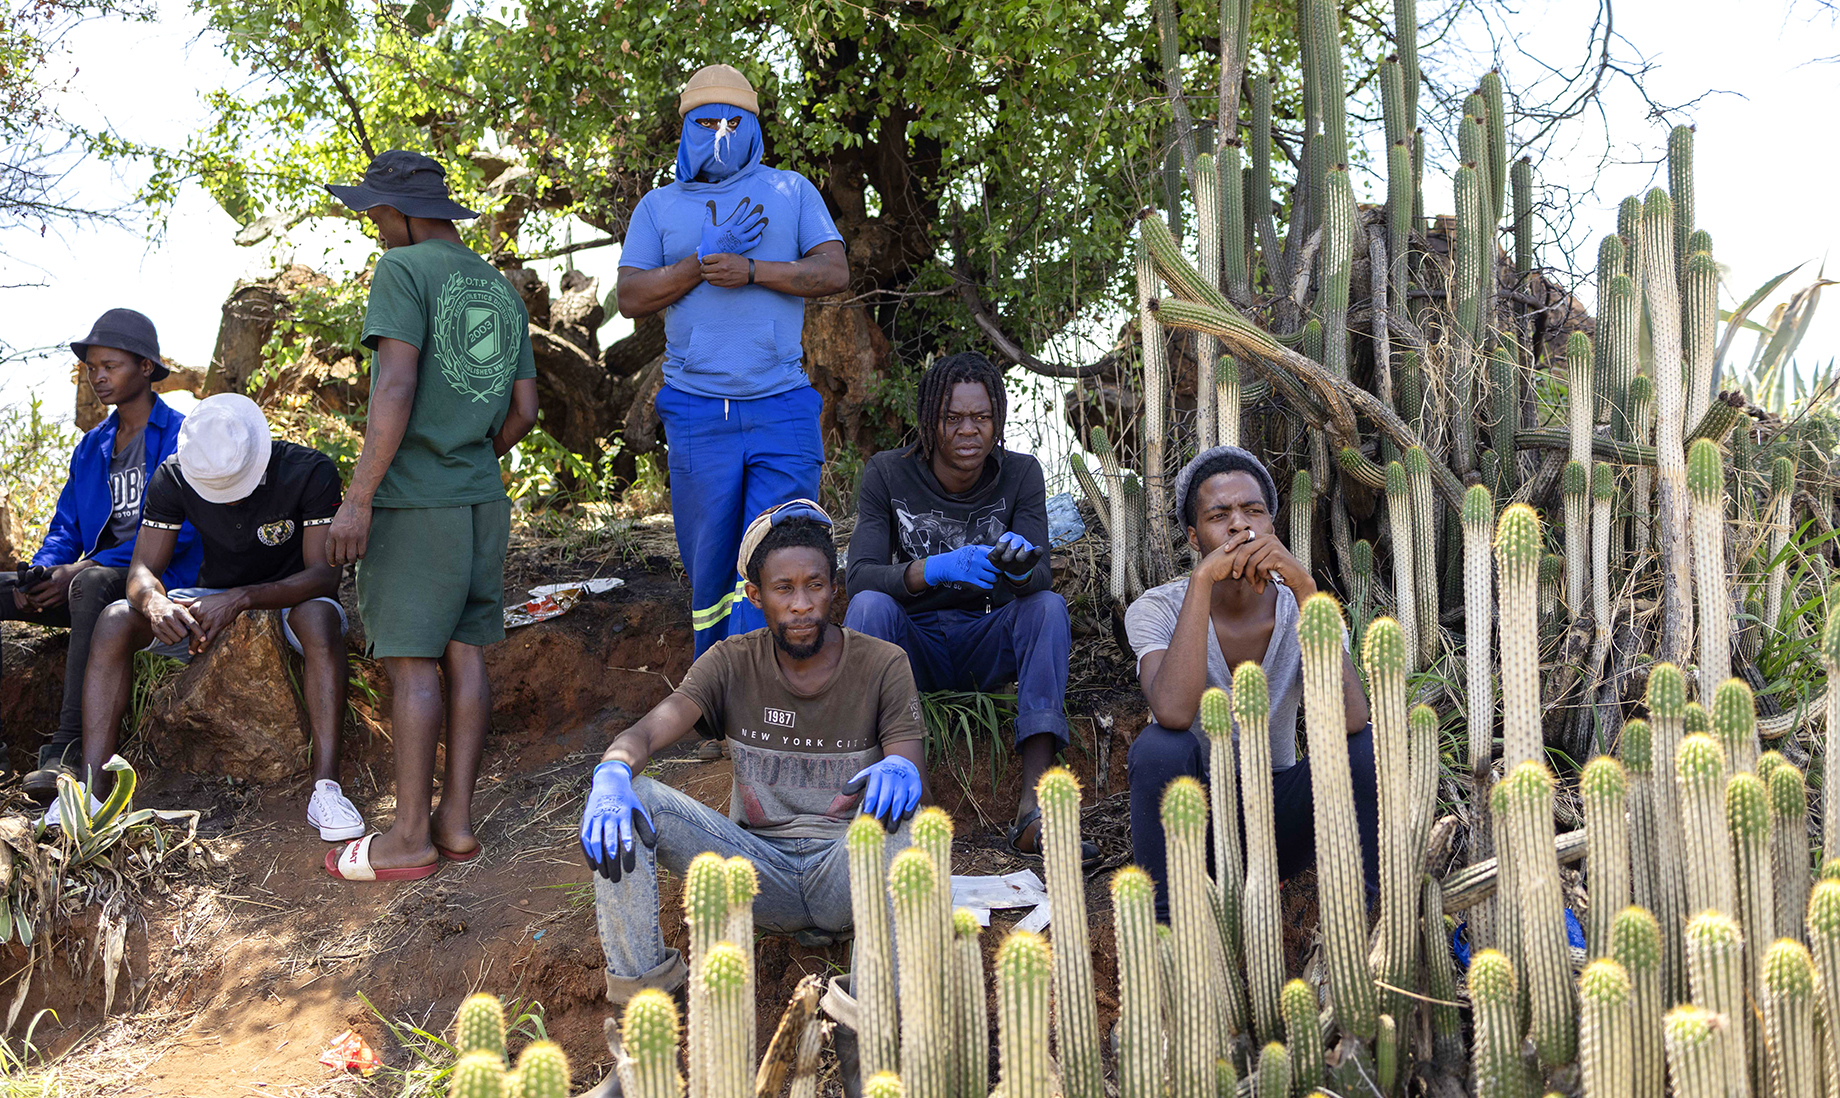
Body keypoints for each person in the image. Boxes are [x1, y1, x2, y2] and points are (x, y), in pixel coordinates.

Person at [578, 501, 925, 1012]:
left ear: (835, 587)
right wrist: (611, 772)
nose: (802, 603)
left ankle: (873, 1020)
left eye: (816, 585)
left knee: (903, 818)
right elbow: (651, 730)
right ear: (755, 595)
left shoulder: (882, 664)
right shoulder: (731, 662)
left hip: (850, 873)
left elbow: (909, 764)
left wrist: (901, 770)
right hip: (757, 875)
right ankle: (643, 1017)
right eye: (784, 589)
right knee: (636, 798)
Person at [319, 150, 540, 881]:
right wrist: (470, 454)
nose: (375, 229)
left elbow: (397, 385)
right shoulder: (499, 289)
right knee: (465, 653)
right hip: (481, 500)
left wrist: (358, 499)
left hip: (415, 501)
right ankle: (456, 823)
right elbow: (524, 411)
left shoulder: (403, 272)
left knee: (412, 663)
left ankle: (408, 838)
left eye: (379, 214)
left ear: (410, 214)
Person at [615, 63, 850, 657]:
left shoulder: (791, 190)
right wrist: (699, 262)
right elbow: (630, 296)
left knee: (785, 553)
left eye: (732, 121)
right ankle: (719, 693)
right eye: (704, 121)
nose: (719, 133)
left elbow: (833, 270)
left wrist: (751, 271)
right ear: (683, 130)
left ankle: (779, 696)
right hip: (697, 411)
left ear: (754, 127)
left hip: (782, 405)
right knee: (712, 561)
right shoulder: (658, 207)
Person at [59, 394, 362, 842]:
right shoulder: (174, 476)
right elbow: (143, 570)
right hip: (210, 598)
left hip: (292, 598)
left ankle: (326, 789)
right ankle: (93, 794)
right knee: (115, 619)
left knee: (318, 619)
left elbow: (323, 577)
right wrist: (155, 603)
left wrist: (242, 598)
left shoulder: (307, 471)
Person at [844, 352, 1086, 862]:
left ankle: (1035, 811)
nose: (968, 430)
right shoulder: (888, 473)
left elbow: (1038, 576)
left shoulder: (1020, 474)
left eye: (981, 417)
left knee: (1046, 607)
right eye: (952, 418)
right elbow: (860, 575)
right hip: (911, 650)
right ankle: (904, 799)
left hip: (984, 639)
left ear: (997, 419)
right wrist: (931, 569)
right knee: (869, 606)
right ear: (930, 421)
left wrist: (1018, 567)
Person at [1125, 445, 1378, 918]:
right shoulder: (1155, 609)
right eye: (1219, 515)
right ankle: (1165, 932)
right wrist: (1202, 584)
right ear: (1194, 537)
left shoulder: (1305, 607)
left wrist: (1305, 589)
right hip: (1194, 819)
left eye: (1254, 511)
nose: (1240, 526)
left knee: (1365, 748)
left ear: (1273, 528)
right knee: (1159, 746)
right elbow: (1173, 712)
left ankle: (1362, 924)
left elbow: (1352, 718)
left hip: (1279, 815)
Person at [0, 309, 201, 800]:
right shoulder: (91, 447)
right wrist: (44, 571)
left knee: (90, 585)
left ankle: (68, 749)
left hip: (155, 583)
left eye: (110, 365)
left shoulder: (180, 437)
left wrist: (83, 568)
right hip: (87, 577)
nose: (98, 377)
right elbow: (66, 528)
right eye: (91, 368)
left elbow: (186, 533)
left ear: (147, 368)